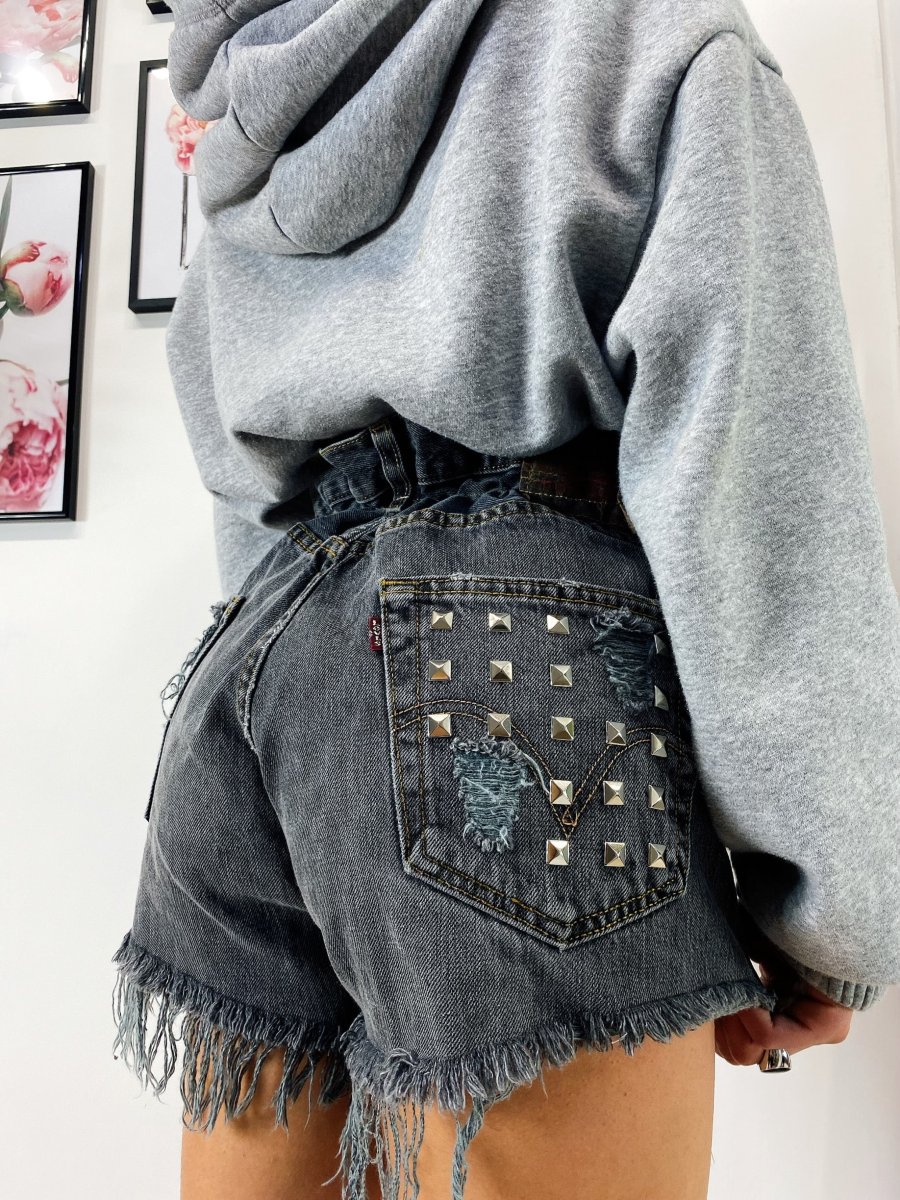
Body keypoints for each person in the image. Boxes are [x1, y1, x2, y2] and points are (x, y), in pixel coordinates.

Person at [111, 2, 900, 1198]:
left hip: (255, 692)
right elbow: (750, 474)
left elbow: (242, 487)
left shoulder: (251, 108)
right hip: (510, 671)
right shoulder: (638, 25)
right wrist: (830, 916)